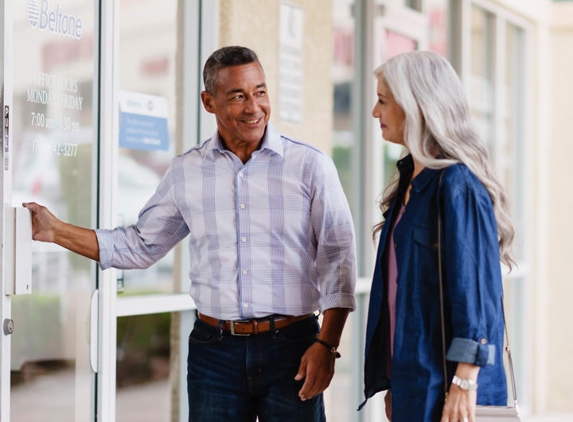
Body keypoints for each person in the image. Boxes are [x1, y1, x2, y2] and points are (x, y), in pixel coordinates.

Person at [23, 45, 357, 422]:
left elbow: (337, 261)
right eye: (237, 96)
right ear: (208, 102)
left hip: (294, 347)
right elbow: (140, 245)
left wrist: (327, 344)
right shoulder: (187, 172)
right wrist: (56, 231)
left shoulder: (310, 167)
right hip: (214, 354)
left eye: (260, 92)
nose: (254, 107)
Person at [359, 50, 515, 422]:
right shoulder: (408, 182)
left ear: (417, 106)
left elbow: (476, 294)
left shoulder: (457, 184)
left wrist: (464, 382)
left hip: (451, 389)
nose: (374, 112)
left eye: (383, 100)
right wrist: (396, 382)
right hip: (414, 381)